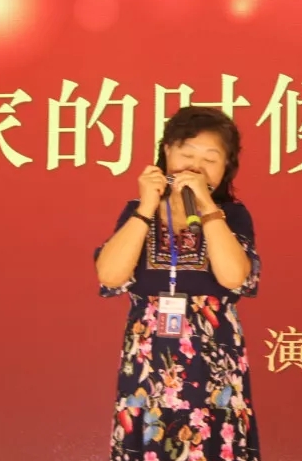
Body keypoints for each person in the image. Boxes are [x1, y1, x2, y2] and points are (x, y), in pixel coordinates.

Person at [94, 106, 262, 461]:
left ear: (225, 167)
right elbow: (110, 275)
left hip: (213, 362)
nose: (196, 166)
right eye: (187, 154)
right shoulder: (137, 211)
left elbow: (234, 277)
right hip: (147, 361)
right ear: (167, 151)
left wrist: (206, 206)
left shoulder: (233, 216)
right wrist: (146, 206)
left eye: (210, 159)